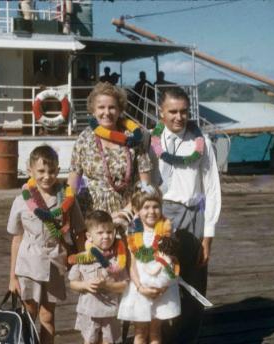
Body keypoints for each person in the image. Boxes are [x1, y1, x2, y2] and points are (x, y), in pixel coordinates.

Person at [149, 87, 221, 343]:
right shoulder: (150, 142)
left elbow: (212, 189)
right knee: (159, 280)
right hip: (160, 215)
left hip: (193, 215)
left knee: (193, 281)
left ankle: (187, 339)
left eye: (184, 111)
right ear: (161, 112)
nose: (179, 117)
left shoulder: (202, 143)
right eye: (173, 112)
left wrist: (208, 235)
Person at [7, 145, 85, 344]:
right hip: (27, 264)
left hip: (54, 264)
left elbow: (79, 233)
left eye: (51, 171)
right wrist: (12, 278)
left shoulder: (68, 200)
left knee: (48, 317)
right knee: (28, 316)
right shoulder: (21, 201)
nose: (46, 176)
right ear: (30, 171)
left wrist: (84, 262)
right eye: (41, 171)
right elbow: (17, 239)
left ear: (58, 171)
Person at [68, 82, 151, 217]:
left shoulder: (133, 139)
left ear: (119, 110)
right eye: (101, 107)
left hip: (128, 212)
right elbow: (73, 180)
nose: (107, 112)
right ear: (93, 111)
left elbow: (146, 183)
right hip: (92, 216)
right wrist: (67, 210)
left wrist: (127, 212)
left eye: (112, 107)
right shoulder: (84, 138)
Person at [118, 182, 181, 344]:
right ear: (137, 210)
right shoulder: (132, 231)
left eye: (155, 207)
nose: (151, 211)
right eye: (146, 207)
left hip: (162, 287)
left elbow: (171, 262)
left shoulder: (167, 230)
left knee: (155, 331)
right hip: (139, 287)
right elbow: (131, 263)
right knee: (140, 332)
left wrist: (163, 287)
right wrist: (140, 287)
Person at [68, 210, 129, 344]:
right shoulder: (83, 258)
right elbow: (73, 283)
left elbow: (125, 285)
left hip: (110, 312)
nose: (106, 236)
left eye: (109, 232)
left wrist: (107, 285)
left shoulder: (118, 259)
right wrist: (85, 285)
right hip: (89, 311)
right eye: (100, 233)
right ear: (89, 236)